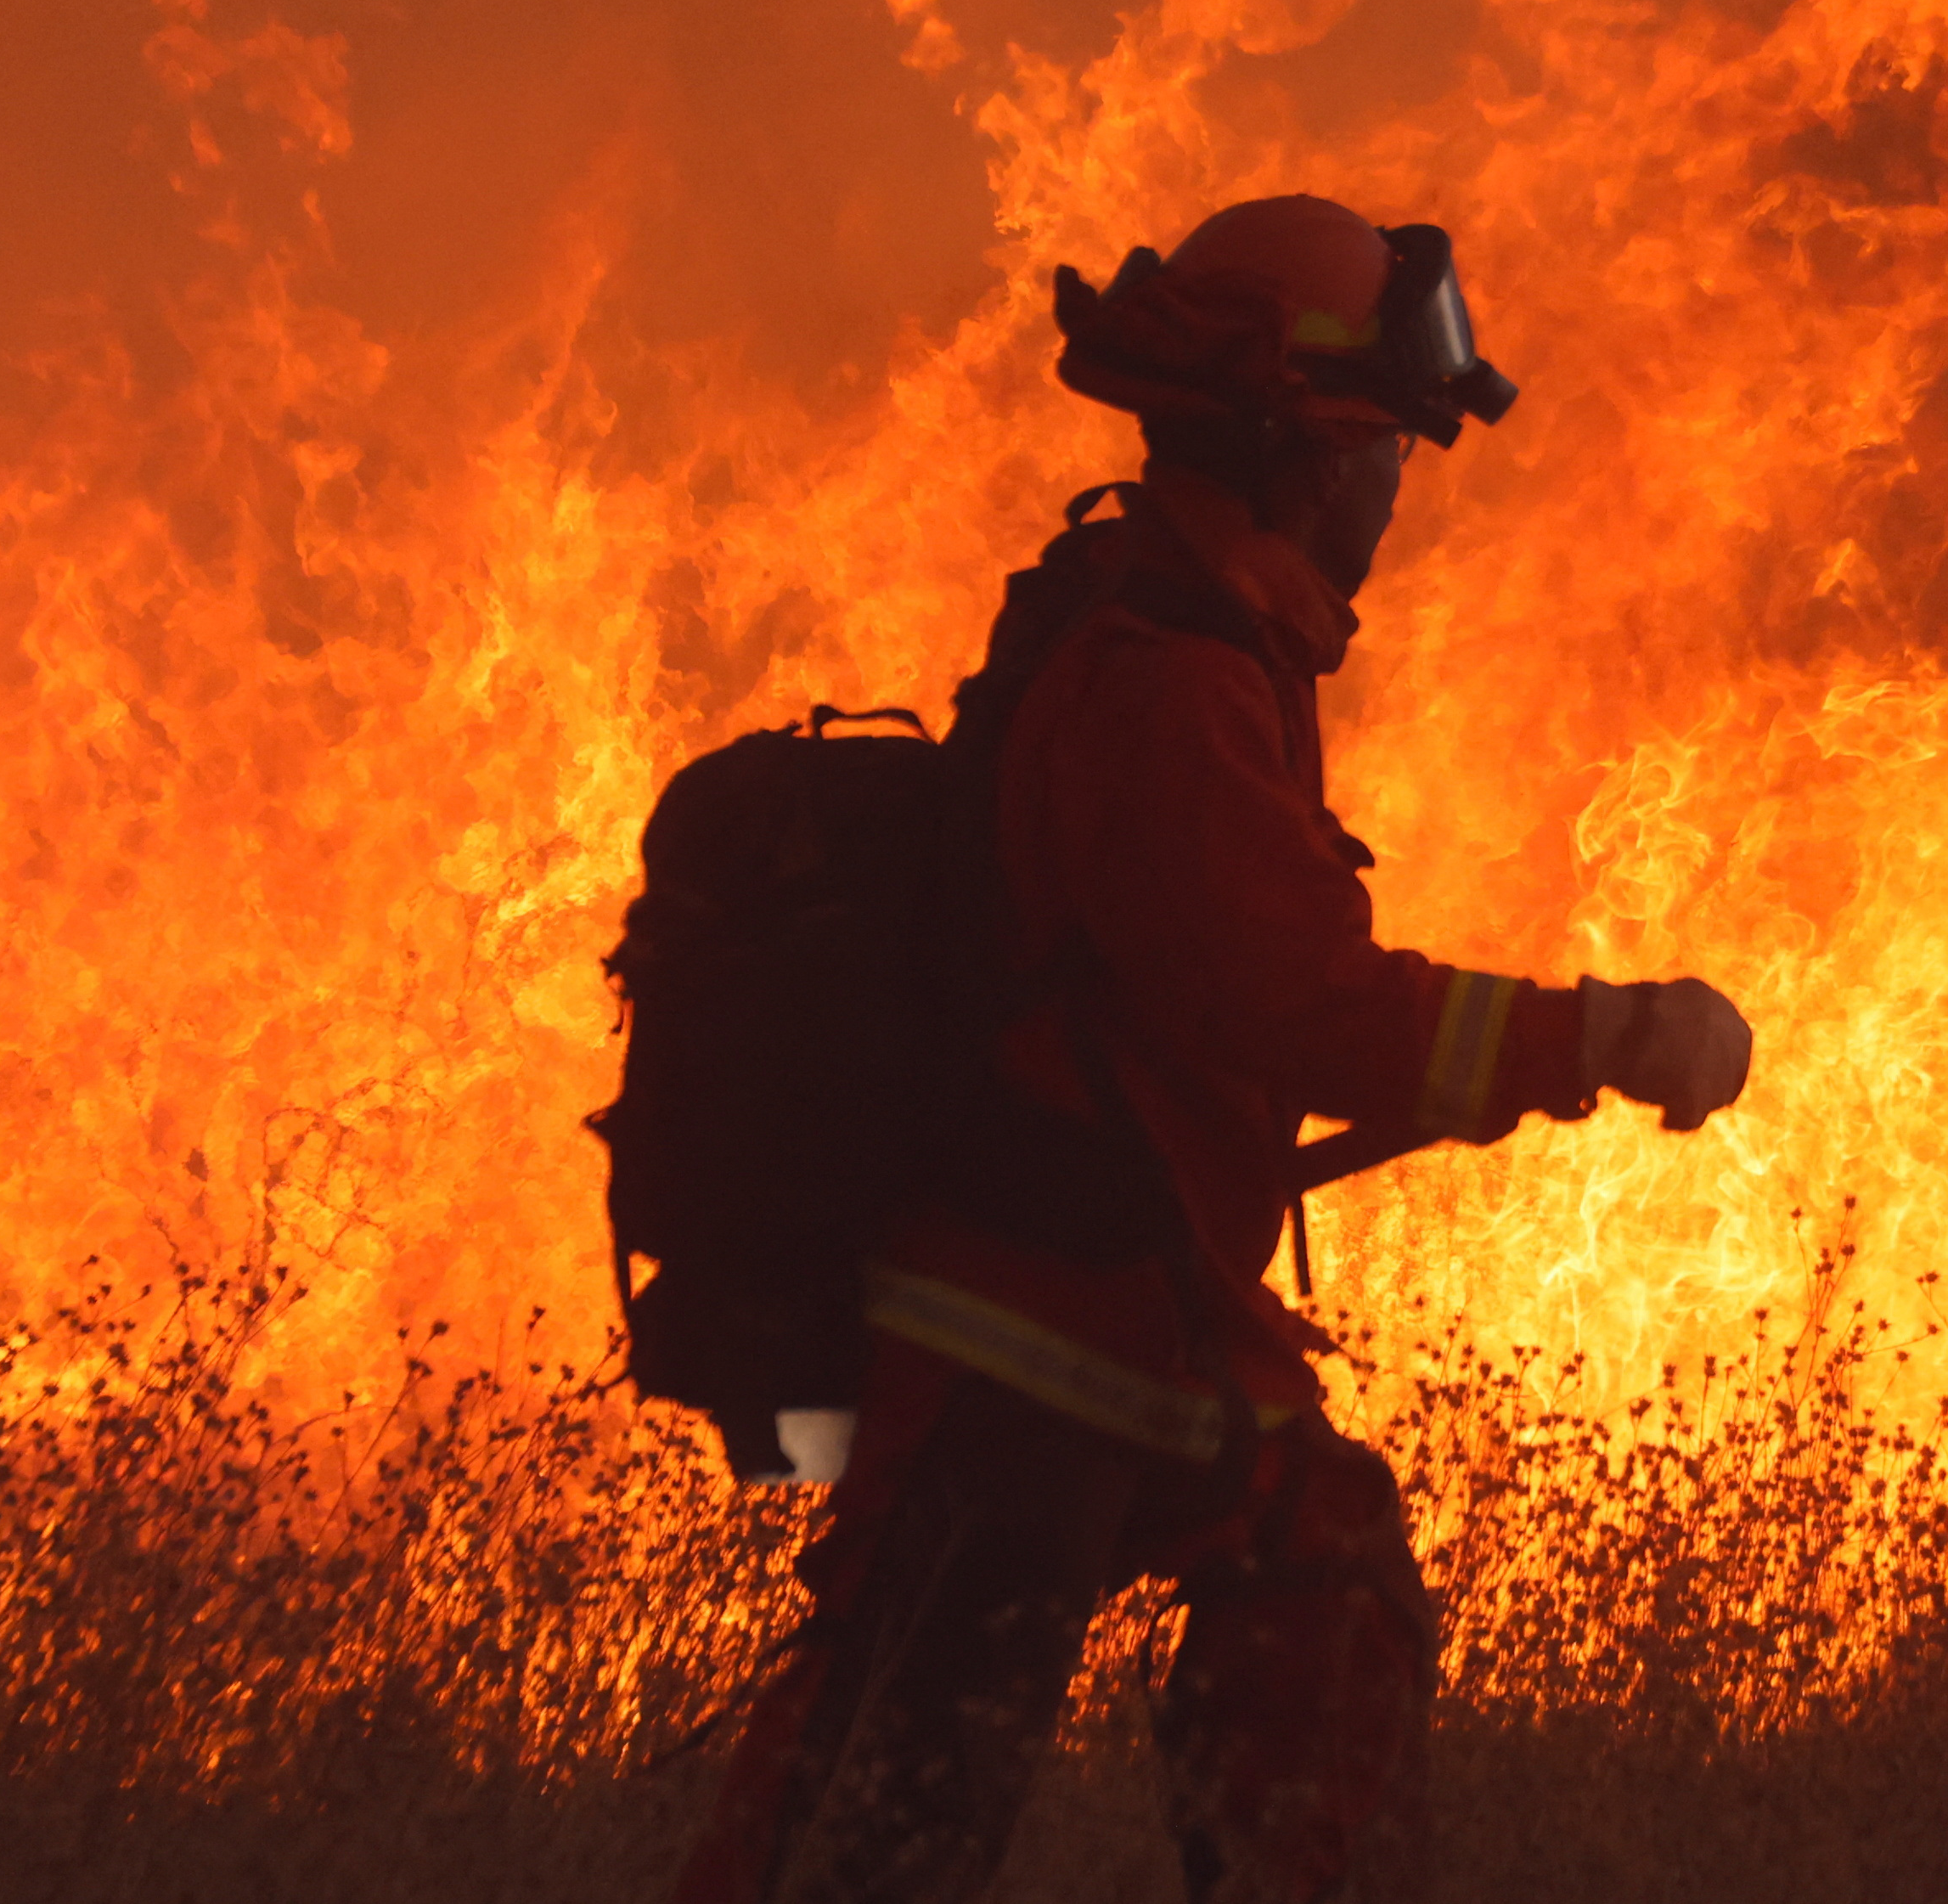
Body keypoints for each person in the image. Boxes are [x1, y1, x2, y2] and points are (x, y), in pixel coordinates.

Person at [676, 194, 1756, 1904]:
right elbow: (1300, 1000)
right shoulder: (1165, 682)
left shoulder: (1207, 635)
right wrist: (1598, 1037)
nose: (1396, 486)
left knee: (1319, 1573)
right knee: (875, 1831)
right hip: (1024, 1346)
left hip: (1142, 1322)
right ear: (1301, 454)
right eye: (1384, 446)